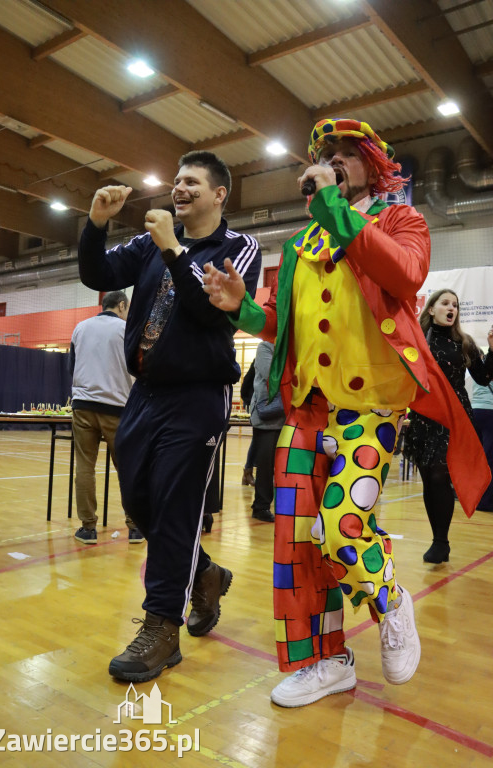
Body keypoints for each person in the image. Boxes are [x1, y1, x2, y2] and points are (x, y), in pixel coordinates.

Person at [203, 117, 490, 708]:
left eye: (344, 153)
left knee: (341, 526)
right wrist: (244, 313)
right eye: (324, 153)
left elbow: (406, 274)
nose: (332, 159)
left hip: (369, 409)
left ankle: (390, 602)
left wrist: (333, 206)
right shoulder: (302, 244)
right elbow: (288, 329)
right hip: (309, 410)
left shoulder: (400, 221)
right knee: (295, 544)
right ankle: (326, 661)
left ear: (372, 165)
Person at [77, 150, 261, 682]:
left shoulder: (237, 247)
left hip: (198, 395)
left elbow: (211, 309)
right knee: (140, 504)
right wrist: (95, 223)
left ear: (219, 194)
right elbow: (98, 274)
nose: (179, 189)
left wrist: (176, 250)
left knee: (177, 509)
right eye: (176, 181)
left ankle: (161, 628)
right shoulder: (147, 245)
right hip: (145, 394)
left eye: (192, 183)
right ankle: (203, 575)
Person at [405, 292, 493, 560]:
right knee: (429, 479)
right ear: (431, 309)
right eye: (445, 303)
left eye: (454, 305)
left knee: (439, 475)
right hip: (423, 416)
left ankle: (441, 542)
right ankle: (438, 539)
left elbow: (483, 377)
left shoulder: (464, 343)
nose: (451, 308)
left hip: (454, 417)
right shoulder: (416, 339)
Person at [69, 290, 144, 544]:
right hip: (117, 408)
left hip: (83, 406)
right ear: (121, 306)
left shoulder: (80, 328)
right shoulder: (126, 329)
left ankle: (88, 528)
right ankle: (135, 527)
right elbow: (139, 369)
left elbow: (72, 367)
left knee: (85, 467)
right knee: (126, 468)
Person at [249, 341, 285, 522]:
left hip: (286, 416)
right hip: (267, 418)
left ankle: (282, 507)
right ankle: (261, 506)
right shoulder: (265, 347)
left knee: (284, 466)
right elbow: (272, 375)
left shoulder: (290, 346)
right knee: (265, 466)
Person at [471, 371, 493, 512]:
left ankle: (475, 497)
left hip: (475, 410)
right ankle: (484, 501)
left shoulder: (483, 364)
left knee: (480, 457)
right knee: (489, 458)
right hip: (490, 411)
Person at [240, 359, 256, 486]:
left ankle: (247, 474)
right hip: (254, 402)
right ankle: (248, 471)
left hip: (264, 403)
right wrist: (248, 401)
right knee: (257, 437)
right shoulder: (260, 359)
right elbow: (246, 383)